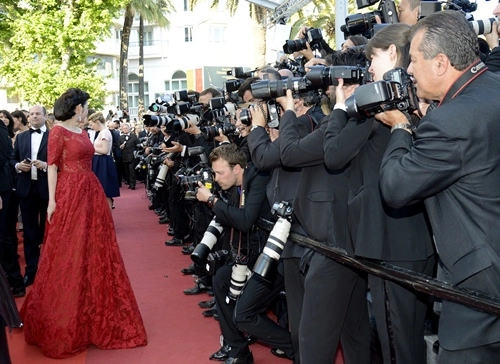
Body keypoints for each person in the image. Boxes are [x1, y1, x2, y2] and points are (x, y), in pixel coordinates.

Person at [376, 11, 500, 363]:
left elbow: (396, 187)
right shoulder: (492, 87)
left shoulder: (450, 121)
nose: (410, 71)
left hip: (480, 289)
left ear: (442, 63)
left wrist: (401, 127)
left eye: (413, 60)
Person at [323, 28, 435, 364]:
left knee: (397, 346)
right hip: (415, 242)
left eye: (373, 57)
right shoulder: (420, 99)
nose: (370, 67)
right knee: (406, 340)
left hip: (389, 243)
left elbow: (333, 154)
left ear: (390, 53)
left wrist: (341, 107)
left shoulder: (382, 103)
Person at [20, 88, 147, 359]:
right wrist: (53, 201)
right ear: (77, 107)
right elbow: (52, 166)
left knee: (97, 250)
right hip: (69, 192)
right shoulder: (58, 132)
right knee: (69, 249)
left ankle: (94, 311)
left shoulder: (82, 131)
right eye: (86, 105)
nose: (88, 109)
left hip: (91, 191)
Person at [196, 143, 270, 364]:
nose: (216, 178)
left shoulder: (257, 180)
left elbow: (245, 221)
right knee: (219, 280)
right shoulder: (232, 187)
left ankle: (294, 347)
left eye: (220, 172)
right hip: (247, 252)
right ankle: (237, 349)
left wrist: (212, 200)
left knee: (244, 313)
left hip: (268, 257)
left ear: (237, 168)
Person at [11, 104, 50, 287]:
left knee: (48, 231)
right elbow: (12, 158)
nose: (34, 116)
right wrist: (19, 166)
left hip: (47, 189)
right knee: (29, 233)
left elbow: (61, 161)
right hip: (26, 189)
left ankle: (50, 270)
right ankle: (31, 271)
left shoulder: (53, 136)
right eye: (32, 114)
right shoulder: (22, 137)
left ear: (45, 116)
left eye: (37, 114)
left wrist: (46, 164)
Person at [88, 112, 120, 210]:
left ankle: (108, 218)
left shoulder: (105, 132)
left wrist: (91, 148)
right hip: (99, 162)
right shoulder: (102, 133)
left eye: (92, 124)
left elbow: (105, 150)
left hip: (103, 163)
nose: (91, 127)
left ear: (97, 122)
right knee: (102, 190)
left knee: (105, 191)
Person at [119, 123, 139, 189]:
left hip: (132, 156)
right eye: (124, 128)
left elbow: (138, 145)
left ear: (129, 129)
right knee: (126, 171)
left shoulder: (134, 136)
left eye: (126, 128)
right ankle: (129, 183)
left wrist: (136, 153)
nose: (125, 129)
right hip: (124, 156)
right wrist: (121, 147)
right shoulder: (121, 137)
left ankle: (133, 184)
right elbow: (118, 146)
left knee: (131, 170)